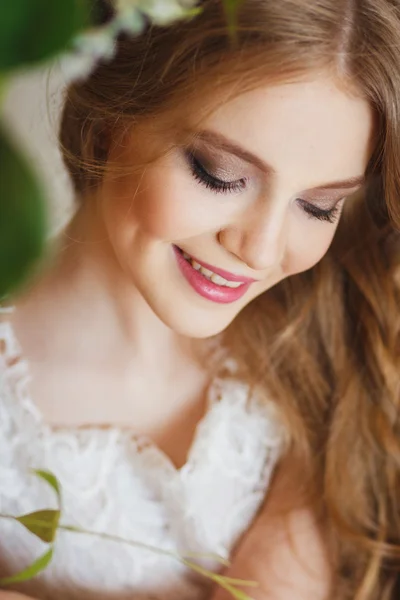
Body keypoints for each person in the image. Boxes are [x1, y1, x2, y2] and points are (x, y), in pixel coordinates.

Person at [1, 0, 400, 598]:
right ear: (112, 116)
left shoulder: (315, 339)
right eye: (219, 173)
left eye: (319, 206)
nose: (261, 252)